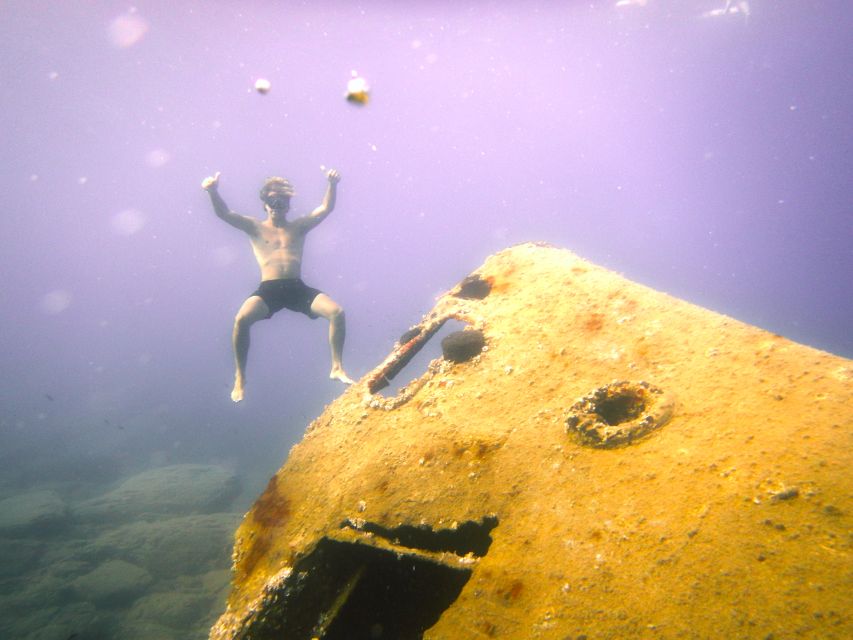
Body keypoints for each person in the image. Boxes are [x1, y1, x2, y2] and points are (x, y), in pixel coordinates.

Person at [201, 169, 354, 402]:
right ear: (264, 203)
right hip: (269, 289)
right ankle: (240, 377)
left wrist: (332, 184)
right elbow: (224, 213)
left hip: (296, 288)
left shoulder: (299, 227)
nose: (277, 204)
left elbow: (325, 209)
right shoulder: (254, 226)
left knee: (337, 313)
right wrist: (212, 191)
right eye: (272, 199)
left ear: (289, 204)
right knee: (241, 319)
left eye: (282, 200)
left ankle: (337, 368)